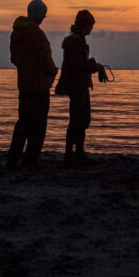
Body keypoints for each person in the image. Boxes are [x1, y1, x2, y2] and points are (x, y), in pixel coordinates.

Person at [7, 0, 58, 169]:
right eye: (43, 15)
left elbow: (14, 58)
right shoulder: (37, 34)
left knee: (23, 122)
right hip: (39, 86)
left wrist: (26, 67)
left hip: (24, 85)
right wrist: (53, 71)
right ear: (40, 15)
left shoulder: (17, 33)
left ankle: (14, 157)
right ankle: (31, 158)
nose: (44, 18)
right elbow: (45, 60)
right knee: (38, 125)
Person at [55, 9, 108, 166]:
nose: (92, 29)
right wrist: (95, 66)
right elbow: (78, 65)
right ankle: (71, 153)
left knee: (82, 119)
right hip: (77, 86)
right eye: (91, 26)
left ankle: (77, 151)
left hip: (80, 85)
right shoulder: (74, 42)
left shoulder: (78, 41)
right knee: (78, 120)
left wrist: (94, 67)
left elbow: (79, 65)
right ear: (85, 25)